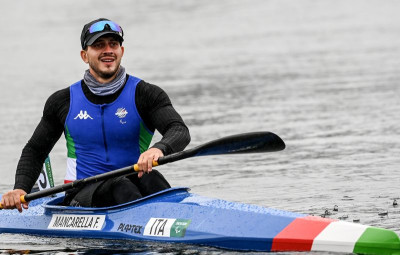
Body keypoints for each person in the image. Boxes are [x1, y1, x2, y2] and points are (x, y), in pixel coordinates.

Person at [1, 18, 191, 212]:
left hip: (134, 180)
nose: (107, 50)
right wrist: (20, 189)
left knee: (152, 178)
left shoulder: (146, 94)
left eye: (113, 44)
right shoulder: (62, 101)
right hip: (81, 193)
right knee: (120, 186)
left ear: (121, 52)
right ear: (84, 55)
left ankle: (179, 218)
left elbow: (179, 130)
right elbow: (35, 150)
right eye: (99, 45)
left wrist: (159, 149)